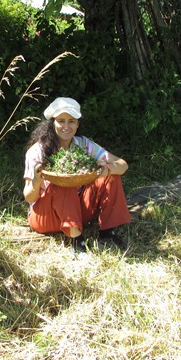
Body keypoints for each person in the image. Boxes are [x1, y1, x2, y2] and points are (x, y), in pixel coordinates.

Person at [23, 97, 132, 252]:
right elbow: (29, 197)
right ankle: (77, 241)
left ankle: (108, 232)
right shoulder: (38, 151)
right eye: (61, 121)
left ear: (78, 124)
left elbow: (122, 165)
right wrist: (36, 181)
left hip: (77, 211)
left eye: (72, 121)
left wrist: (106, 170)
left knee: (111, 177)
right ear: (52, 123)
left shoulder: (83, 144)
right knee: (63, 182)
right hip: (45, 216)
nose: (66, 126)